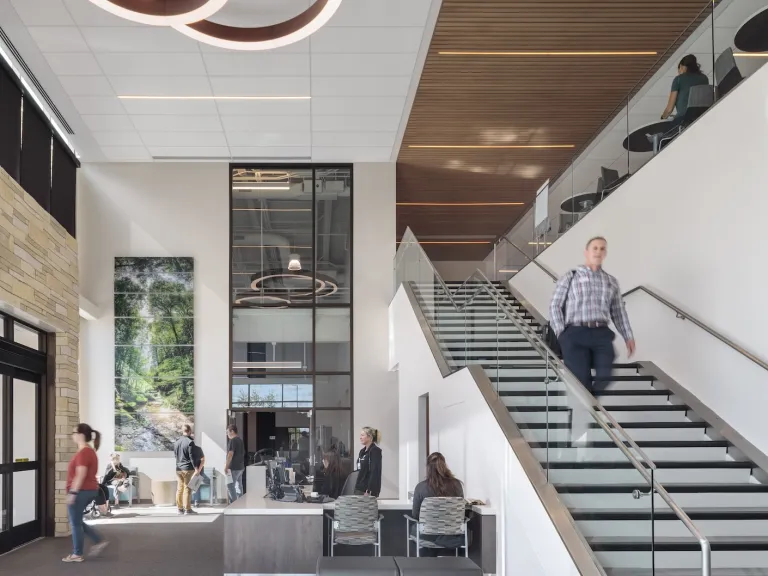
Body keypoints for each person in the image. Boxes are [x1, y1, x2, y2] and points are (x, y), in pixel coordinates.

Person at [549, 236, 635, 394]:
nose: (598, 251)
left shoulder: (611, 282)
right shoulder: (571, 277)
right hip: (575, 333)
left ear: (605, 254)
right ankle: (590, 412)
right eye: (595, 248)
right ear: (586, 252)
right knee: (581, 382)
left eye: (602, 248)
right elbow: (555, 305)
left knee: (606, 376)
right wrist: (561, 333)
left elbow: (618, 312)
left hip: (601, 333)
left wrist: (628, 336)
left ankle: (591, 407)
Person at [62, 423, 108, 563]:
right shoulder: (88, 451)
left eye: (74, 432)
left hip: (81, 491)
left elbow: (80, 475)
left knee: (75, 523)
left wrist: (73, 493)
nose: (73, 435)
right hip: (89, 490)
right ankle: (98, 540)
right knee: (77, 521)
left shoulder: (84, 453)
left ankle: (77, 554)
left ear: (81, 435)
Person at [411, 452, 465, 557]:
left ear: (428, 468)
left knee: (415, 527)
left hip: (427, 536)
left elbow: (416, 515)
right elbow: (461, 512)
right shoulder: (457, 485)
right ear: (444, 465)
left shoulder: (421, 488)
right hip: (452, 535)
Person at [661, 54, 709, 127]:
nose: (678, 71)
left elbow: (669, 109)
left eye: (679, 68)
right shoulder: (704, 78)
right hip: (701, 118)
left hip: (683, 120)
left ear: (683, 67)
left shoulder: (678, 79)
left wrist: (662, 118)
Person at [173, 423, 199, 515]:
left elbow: (175, 455)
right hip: (188, 468)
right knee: (187, 488)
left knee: (179, 489)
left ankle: (180, 509)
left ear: (183, 431)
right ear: (189, 431)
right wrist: (196, 468)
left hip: (178, 468)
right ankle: (187, 509)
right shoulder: (190, 442)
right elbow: (192, 457)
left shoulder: (176, 442)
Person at [354, 427, 382, 497]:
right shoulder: (362, 452)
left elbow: (374, 471)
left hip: (367, 490)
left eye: (362, 435)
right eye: (360, 435)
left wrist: (369, 490)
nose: (360, 437)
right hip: (359, 487)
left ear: (370, 437)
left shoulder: (375, 451)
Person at [225, 424, 246, 503]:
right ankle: (240, 503)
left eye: (228, 432)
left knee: (230, 486)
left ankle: (233, 504)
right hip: (240, 467)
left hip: (233, 467)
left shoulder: (233, 440)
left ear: (232, 431)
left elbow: (230, 454)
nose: (227, 435)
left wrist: (226, 466)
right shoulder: (240, 440)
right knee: (239, 486)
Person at [191, 437, 209, 508]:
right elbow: (203, 460)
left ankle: (196, 501)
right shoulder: (198, 449)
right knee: (195, 486)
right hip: (196, 470)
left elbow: (203, 460)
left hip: (197, 470)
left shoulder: (197, 449)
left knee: (195, 485)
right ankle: (195, 502)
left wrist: (198, 470)